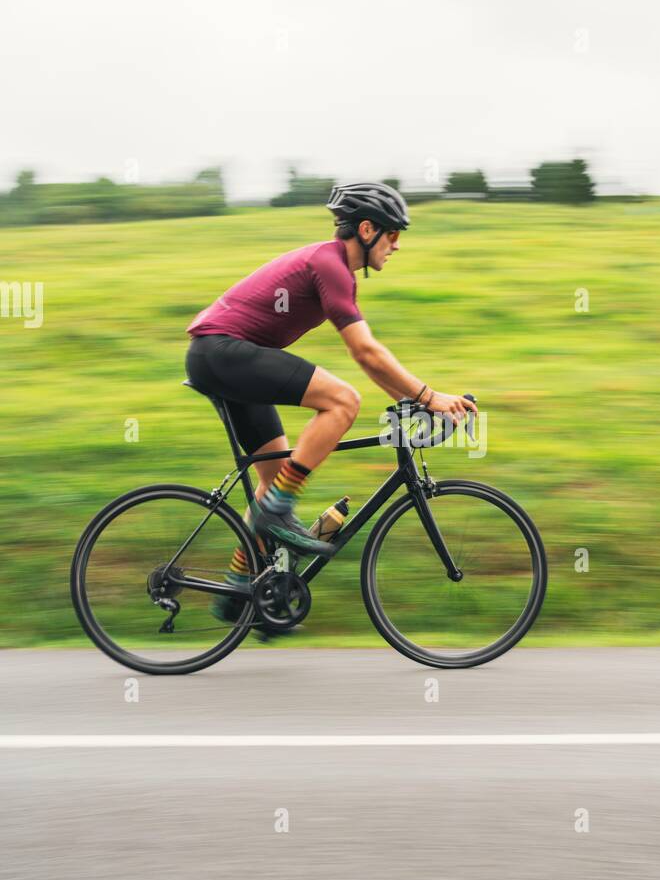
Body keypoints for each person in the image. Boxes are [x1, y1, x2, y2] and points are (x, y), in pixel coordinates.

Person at [185, 181, 477, 621]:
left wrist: (414, 401)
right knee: (343, 402)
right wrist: (429, 396)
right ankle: (278, 515)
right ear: (366, 229)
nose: (396, 246)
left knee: (271, 477)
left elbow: (371, 360)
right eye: (393, 234)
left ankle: (241, 592)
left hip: (220, 358)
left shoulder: (332, 266)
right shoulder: (332, 265)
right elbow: (366, 352)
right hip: (222, 351)